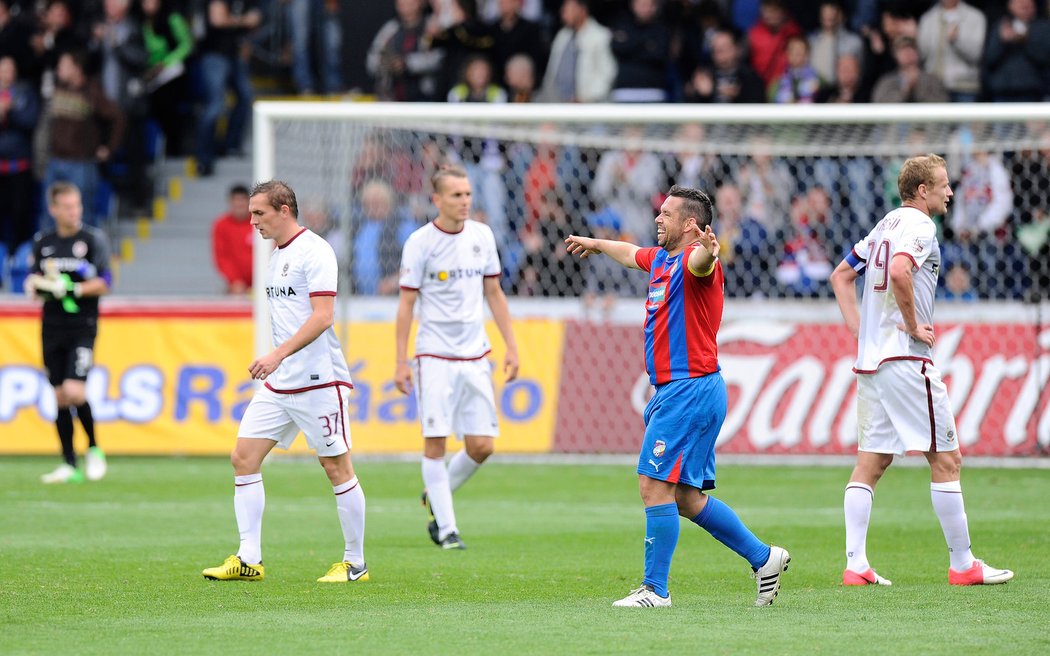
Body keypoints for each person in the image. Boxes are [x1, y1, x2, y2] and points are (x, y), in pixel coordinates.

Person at [564, 185, 790, 608]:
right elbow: (630, 252)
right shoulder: (661, 260)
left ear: (690, 224)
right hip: (685, 391)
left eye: (666, 214)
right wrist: (595, 244)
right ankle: (764, 558)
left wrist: (710, 249)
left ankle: (655, 590)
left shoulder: (692, 261)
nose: (657, 218)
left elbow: (704, 263)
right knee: (684, 497)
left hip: (689, 389)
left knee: (652, 484)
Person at [828, 154, 1014, 587]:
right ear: (922, 191)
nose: (950, 191)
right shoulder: (921, 227)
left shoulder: (883, 226)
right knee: (948, 459)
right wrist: (913, 326)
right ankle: (964, 564)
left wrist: (861, 330)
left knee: (871, 463)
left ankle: (855, 565)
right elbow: (899, 271)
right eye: (944, 184)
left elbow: (841, 275)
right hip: (906, 360)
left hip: (871, 361)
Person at [202, 180, 367, 584]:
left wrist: (277, 354)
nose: (252, 220)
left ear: (285, 210)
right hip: (281, 383)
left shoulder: (316, 251)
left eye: (259, 213)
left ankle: (355, 562)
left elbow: (323, 316)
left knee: (335, 466)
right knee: (243, 458)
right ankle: (248, 558)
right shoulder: (275, 256)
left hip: (318, 381)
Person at [394, 165, 519, 550]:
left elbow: (494, 293)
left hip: (476, 355)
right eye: (456, 195)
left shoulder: (482, 235)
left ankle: (437, 493)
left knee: (483, 446)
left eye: (467, 194)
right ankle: (447, 530)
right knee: (435, 443)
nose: (465, 201)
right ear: (437, 199)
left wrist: (512, 346)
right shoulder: (420, 242)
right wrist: (401, 360)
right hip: (434, 356)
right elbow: (406, 304)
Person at [24, 181, 112, 484]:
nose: (74, 211)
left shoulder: (92, 240)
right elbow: (34, 279)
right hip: (52, 326)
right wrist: (35, 286)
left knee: (75, 391)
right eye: (68, 206)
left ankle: (94, 449)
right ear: (54, 209)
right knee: (60, 396)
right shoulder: (44, 242)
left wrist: (72, 287)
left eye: (77, 206)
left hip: (82, 326)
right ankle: (69, 464)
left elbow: (105, 281)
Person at [211, 183, 253, 294]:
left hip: (263, 282)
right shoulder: (221, 225)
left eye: (243, 200)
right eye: (236, 200)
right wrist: (235, 280)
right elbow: (221, 257)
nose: (239, 204)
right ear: (230, 202)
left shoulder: (259, 223)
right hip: (237, 287)